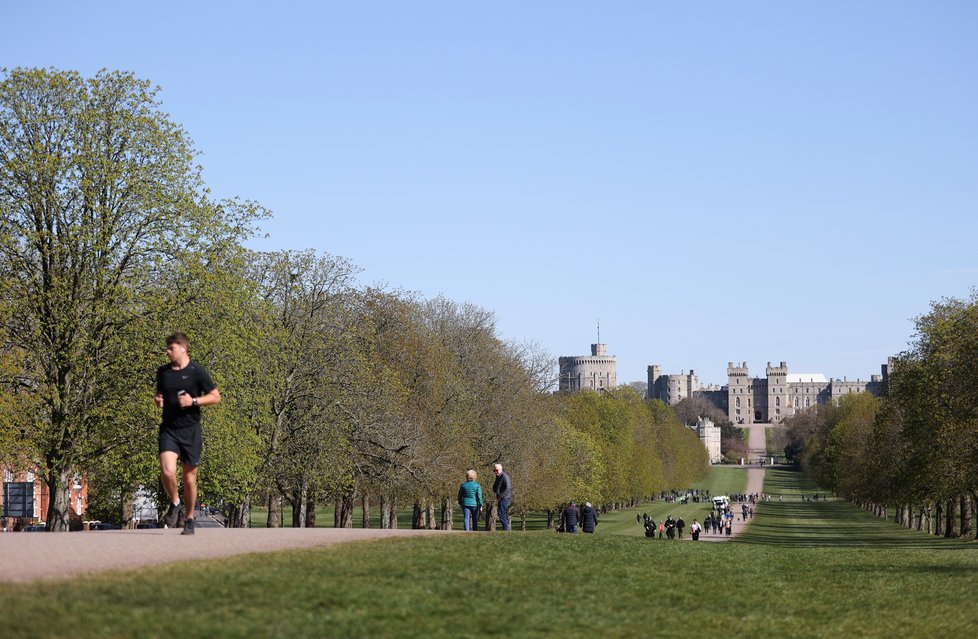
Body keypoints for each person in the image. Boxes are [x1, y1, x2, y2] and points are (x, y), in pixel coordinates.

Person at [155, 332, 221, 535]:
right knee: (167, 470)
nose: (167, 351)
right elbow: (160, 394)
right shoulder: (163, 372)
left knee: (189, 478)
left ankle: (190, 517)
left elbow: (215, 397)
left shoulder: (197, 372)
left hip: (191, 430)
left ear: (183, 348)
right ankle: (175, 501)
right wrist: (159, 401)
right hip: (169, 429)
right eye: (166, 348)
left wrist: (193, 401)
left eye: (171, 348)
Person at [492, 463, 512, 531]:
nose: (495, 472)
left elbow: (507, 488)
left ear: (501, 469)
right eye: (494, 470)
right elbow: (495, 487)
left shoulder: (504, 476)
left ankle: (506, 530)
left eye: (496, 470)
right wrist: (496, 490)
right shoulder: (498, 477)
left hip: (505, 498)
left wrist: (500, 496)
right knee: (502, 513)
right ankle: (506, 529)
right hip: (501, 498)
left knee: (501, 513)